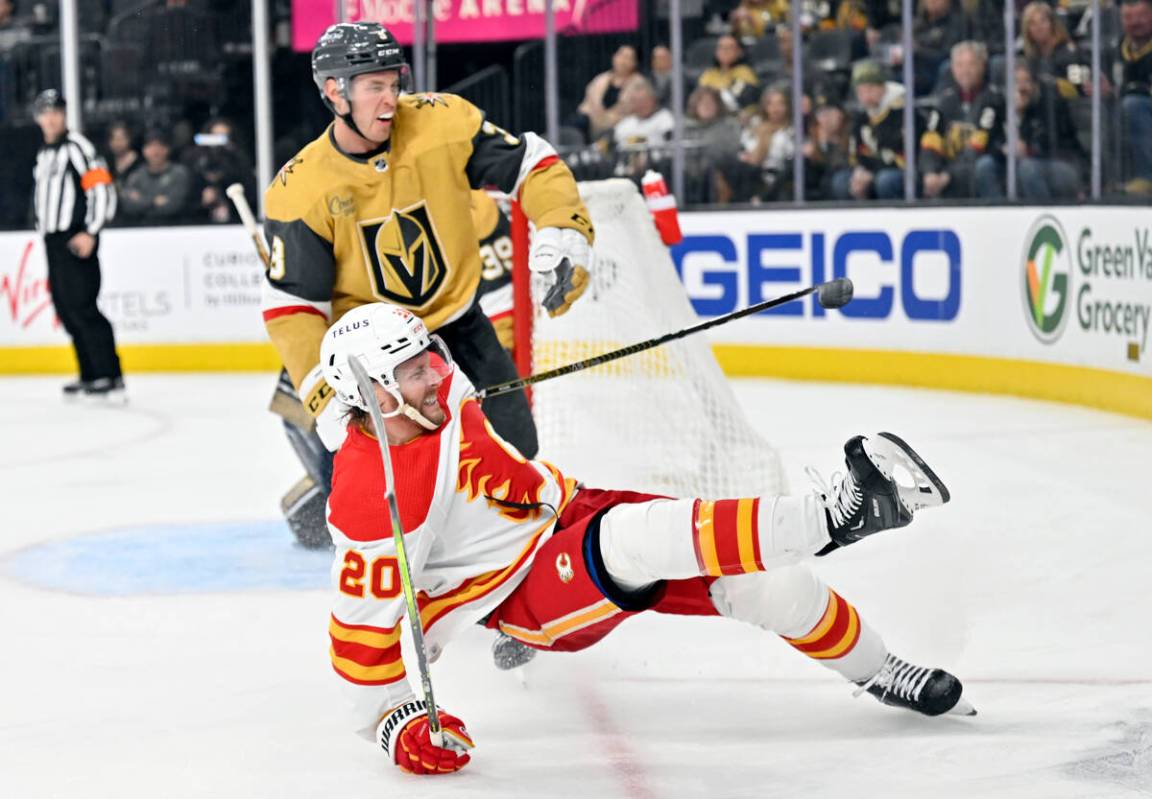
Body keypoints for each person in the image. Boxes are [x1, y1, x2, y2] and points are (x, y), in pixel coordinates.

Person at [318, 302, 975, 775]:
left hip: (567, 509)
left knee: (772, 586)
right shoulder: (371, 498)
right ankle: (836, 516)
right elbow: (357, 635)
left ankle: (881, 669)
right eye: (412, 372)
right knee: (633, 539)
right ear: (372, 393)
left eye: (428, 359)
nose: (435, 376)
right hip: (525, 591)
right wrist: (391, 721)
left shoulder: (431, 392)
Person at [262, 24, 592, 680]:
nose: (391, 99)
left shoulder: (441, 123)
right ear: (334, 92)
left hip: (458, 324)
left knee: (514, 455)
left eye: (394, 82)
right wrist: (327, 397)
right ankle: (392, 583)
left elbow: (531, 162)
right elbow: (294, 311)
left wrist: (565, 227)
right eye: (374, 87)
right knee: (384, 488)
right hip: (371, 359)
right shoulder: (299, 188)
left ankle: (519, 601)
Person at [30, 90, 124, 401]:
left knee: (83, 305)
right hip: (53, 240)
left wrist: (91, 230)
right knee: (66, 308)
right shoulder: (44, 154)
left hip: (75, 238)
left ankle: (110, 375)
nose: (52, 117)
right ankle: (90, 373)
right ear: (37, 118)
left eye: (57, 111)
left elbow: (101, 189)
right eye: (46, 112)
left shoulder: (77, 147)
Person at [918, 40, 1005, 199]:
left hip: (979, 169)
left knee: (983, 166)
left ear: (983, 66)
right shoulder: (945, 101)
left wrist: (948, 175)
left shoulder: (993, 99)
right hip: (948, 170)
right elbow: (931, 138)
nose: (965, 71)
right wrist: (931, 171)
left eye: (971, 64)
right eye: (959, 65)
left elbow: (979, 145)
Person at [834, 60, 918, 200]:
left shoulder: (902, 112)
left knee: (885, 181)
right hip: (874, 168)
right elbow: (857, 151)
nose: (866, 96)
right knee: (841, 181)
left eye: (870, 88)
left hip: (903, 170)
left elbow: (899, 153)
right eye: (861, 91)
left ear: (883, 87)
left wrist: (871, 171)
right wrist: (860, 170)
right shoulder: (862, 116)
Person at [1014, 65, 1084, 200]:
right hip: (1029, 164)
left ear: (1035, 85)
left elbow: (1048, 145)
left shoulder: (1050, 105)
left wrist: (1022, 116)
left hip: (1065, 165)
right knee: (989, 167)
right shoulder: (1003, 107)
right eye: (1017, 82)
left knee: (1027, 168)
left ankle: (1039, 212)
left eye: (1026, 81)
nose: (1022, 88)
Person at [119, 128, 194, 224]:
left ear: (167, 149)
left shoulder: (179, 173)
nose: (155, 151)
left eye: (159, 146)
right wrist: (155, 201)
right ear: (144, 150)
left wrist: (141, 199)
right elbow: (128, 205)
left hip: (174, 227)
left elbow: (174, 206)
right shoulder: (136, 175)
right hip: (140, 227)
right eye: (150, 146)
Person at [1117, 0, 1152, 195]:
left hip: (1142, 107)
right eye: (1128, 17)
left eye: (1141, 16)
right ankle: (1110, 178)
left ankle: (1147, 176)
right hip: (1125, 108)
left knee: (1133, 105)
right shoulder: (1119, 47)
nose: (1135, 22)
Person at [576, 45, 646, 141]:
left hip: (621, 129)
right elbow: (586, 106)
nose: (622, 61)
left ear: (635, 63)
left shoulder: (639, 83)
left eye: (628, 58)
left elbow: (636, 112)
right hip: (592, 125)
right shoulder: (600, 79)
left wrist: (607, 120)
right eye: (620, 55)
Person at [697, 35, 762, 116]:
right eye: (721, 47)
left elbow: (737, 100)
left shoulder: (745, 73)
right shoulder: (708, 74)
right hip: (710, 117)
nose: (725, 51)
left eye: (730, 47)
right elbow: (699, 98)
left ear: (739, 52)